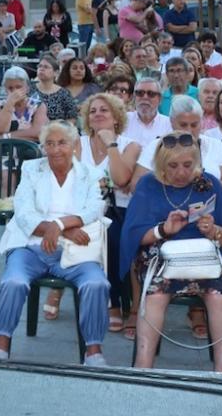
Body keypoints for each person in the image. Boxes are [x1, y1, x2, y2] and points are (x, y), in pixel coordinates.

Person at [0, 120, 111, 366]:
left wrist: (60, 225)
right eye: (49, 144)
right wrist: (60, 231)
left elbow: (96, 208)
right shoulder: (32, 169)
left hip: (75, 250)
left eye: (62, 143)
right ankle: (1, 345)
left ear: (75, 145)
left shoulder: (91, 174)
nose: (56, 150)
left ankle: (94, 351)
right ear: (43, 147)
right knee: (14, 281)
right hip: (30, 246)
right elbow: (23, 212)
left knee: (96, 283)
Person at [121, 133, 222, 371]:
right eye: (172, 166)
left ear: (197, 162)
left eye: (188, 165)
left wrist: (214, 231)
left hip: (204, 260)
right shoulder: (148, 184)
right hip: (160, 258)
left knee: (220, 296)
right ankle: (143, 367)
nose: (181, 172)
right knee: (155, 296)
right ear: (161, 164)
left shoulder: (210, 184)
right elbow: (133, 235)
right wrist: (163, 230)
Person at [77, 93, 140, 334]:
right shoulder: (77, 143)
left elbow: (121, 178)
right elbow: (73, 181)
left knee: (111, 235)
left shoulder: (130, 145)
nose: (98, 114)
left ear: (116, 118)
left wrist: (111, 145)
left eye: (104, 110)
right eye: (93, 111)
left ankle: (113, 301)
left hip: (117, 209)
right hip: (83, 208)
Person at [0, 66, 46, 143]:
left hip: (30, 150)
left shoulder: (38, 105)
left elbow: (37, 133)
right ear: (5, 89)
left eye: (18, 87)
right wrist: (9, 104)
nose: (15, 91)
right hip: (3, 151)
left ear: (27, 88)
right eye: (10, 88)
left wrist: (5, 136)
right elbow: (0, 130)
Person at [28, 54, 77, 123]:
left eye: (46, 67)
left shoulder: (64, 93)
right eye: (40, 66)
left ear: (56, 73)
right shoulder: (28, 89)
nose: (41, 69)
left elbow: (72, 117)